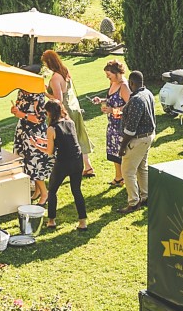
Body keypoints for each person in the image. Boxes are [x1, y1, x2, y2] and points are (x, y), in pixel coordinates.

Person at [37, 100, 87, 232]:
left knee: (52, 191)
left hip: (63, 162)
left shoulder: (51, 128)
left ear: (50, 113)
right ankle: (83, 222)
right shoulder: (70, 122)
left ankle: (51, 221)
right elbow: (62, 140)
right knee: (76, 190)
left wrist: (36, 145)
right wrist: (43, 141)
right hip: (77, 160)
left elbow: (49, 151)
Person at [43, 49, 94, 178]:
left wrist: (45, 92)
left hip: (66, 111)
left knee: (71, 139)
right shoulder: (65, 71)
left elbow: (58, 100)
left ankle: (76, 167)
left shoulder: (55, 78)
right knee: (80, 136)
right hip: (75, 107)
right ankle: (88, 166)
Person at [118, 70, 157, 213]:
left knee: (127, 171)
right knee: (142, 167)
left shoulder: (136, 100)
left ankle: (134, 202)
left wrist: (122, 147)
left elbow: (131, 129)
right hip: (149, 136)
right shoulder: (148, 93)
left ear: (131, 83)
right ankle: (146, 196)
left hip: (138, 139)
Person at [90, 60, 131, 187]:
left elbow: (130, 106)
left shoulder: (124, 86)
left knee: (122, 152)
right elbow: (111, 98)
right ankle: (119, 177)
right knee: (114, 152)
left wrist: (112, 110)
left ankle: (124, 177)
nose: (108, 77)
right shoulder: (113, 83)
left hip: (121, 125)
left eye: (109, 75)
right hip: (112, 124)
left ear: (117, 73)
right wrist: (101, 100)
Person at [11, 87, 52, 205]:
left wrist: (21, 114)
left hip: (34, 132)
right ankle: (38, 191)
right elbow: (19, 108)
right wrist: (15, 110)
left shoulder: (37, 95)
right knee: (24, 160)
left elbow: (40, 119)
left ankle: (45, 193)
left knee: (34, 162)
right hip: (22, 130)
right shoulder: (21, 92)